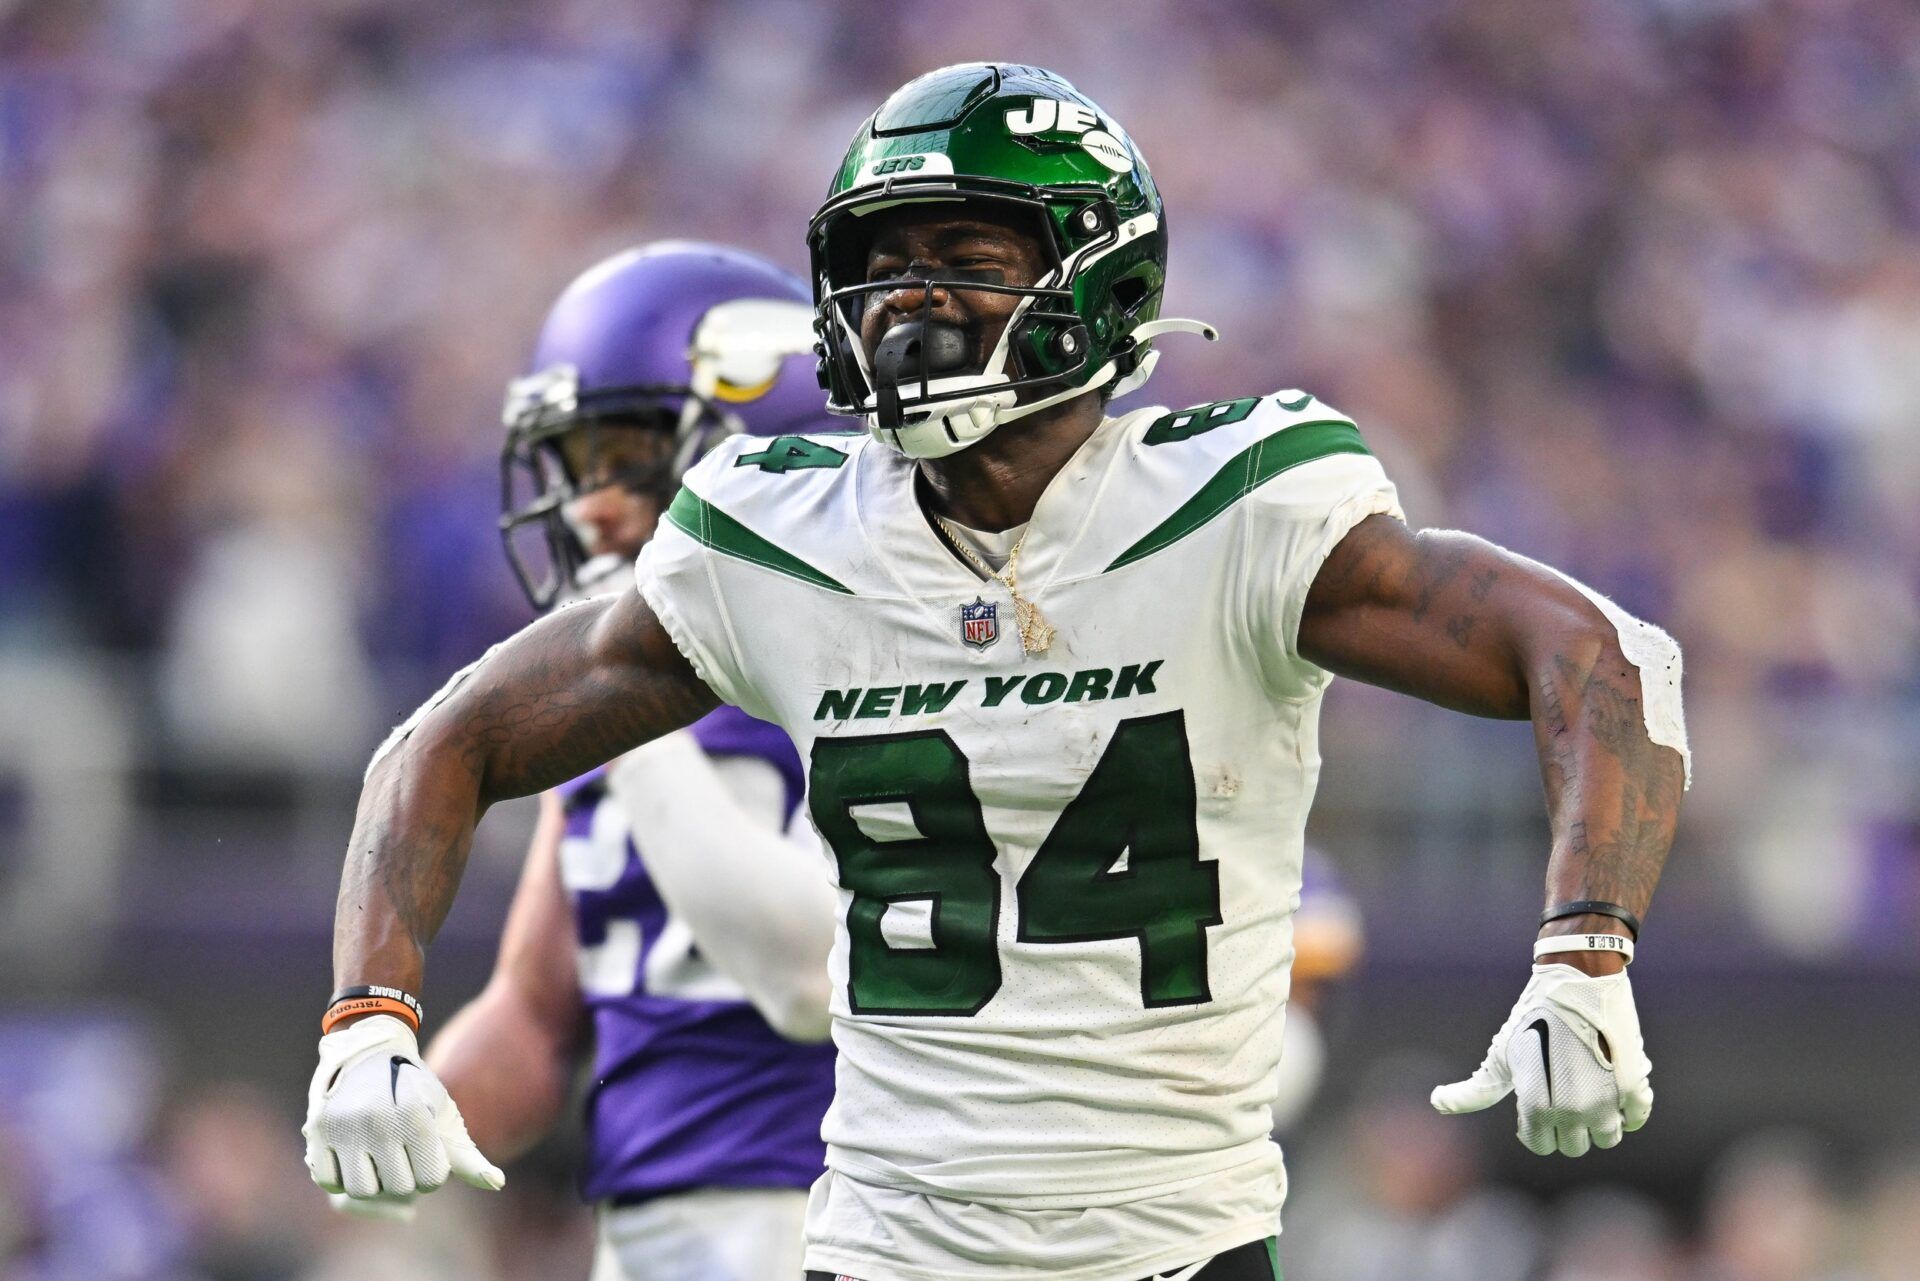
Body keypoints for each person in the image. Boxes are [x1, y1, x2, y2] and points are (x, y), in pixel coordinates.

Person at [304, 65, 1691, 1281]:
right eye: (882, 261)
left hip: (1178, 1242)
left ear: (1103, 274)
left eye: (963, 251)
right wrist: (369, 1014)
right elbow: (447, 741)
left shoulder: (1236, 508)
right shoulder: (776, 537)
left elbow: (1600, 653)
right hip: (885, 1246)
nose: (910, 301)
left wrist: (1586, 949)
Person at [322, 242, 844, 1281]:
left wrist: (637, 755)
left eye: (626, 459)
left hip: (830, 1209)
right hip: (648, 1224)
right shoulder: (600, 716)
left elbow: (809, 977)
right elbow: (532, 1018)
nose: (588, 507)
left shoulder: (854, 667)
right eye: (576, 467)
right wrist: (390, 1114)